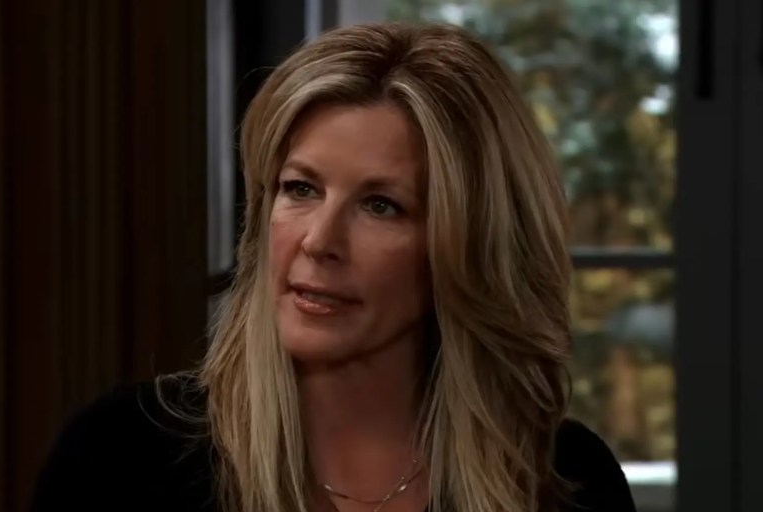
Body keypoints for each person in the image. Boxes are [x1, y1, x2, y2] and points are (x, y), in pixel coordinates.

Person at [32, 22, 636, 512]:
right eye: (300, 188)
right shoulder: (122, 459)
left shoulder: (568, 482)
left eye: (381, 205)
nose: (320, 241)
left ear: (469, 245)